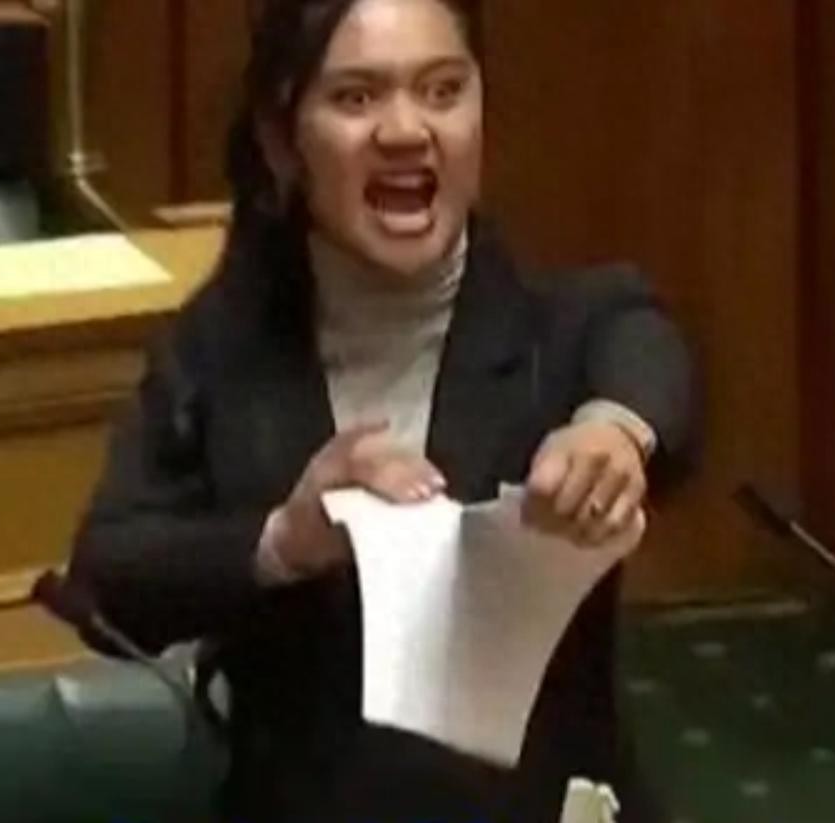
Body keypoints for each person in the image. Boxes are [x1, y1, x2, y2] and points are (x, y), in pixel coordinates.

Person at [67, 0, 695, 821]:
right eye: (357, 97)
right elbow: (107, 579)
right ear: (280, 140)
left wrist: (614, 429)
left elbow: (651, 358)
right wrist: (281, 543)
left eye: (442, 90)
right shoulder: (217, 355)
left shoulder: (569, 326)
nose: (406, 130)